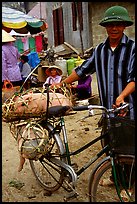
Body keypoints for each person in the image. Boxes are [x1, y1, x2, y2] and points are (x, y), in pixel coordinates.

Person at [50, 5, 135, 197]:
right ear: (106, 27)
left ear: (124, 26)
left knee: (127, 147)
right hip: (107, 109)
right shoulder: (100, 50)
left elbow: (134, 79)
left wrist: (122, 96)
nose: (114, 28)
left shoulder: (132, 49)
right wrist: (62, 83)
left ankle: (128, 186)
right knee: (109, 144)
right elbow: (82, 71)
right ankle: (115, 177)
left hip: (127, 109)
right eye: (111, 24)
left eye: (118, 24)